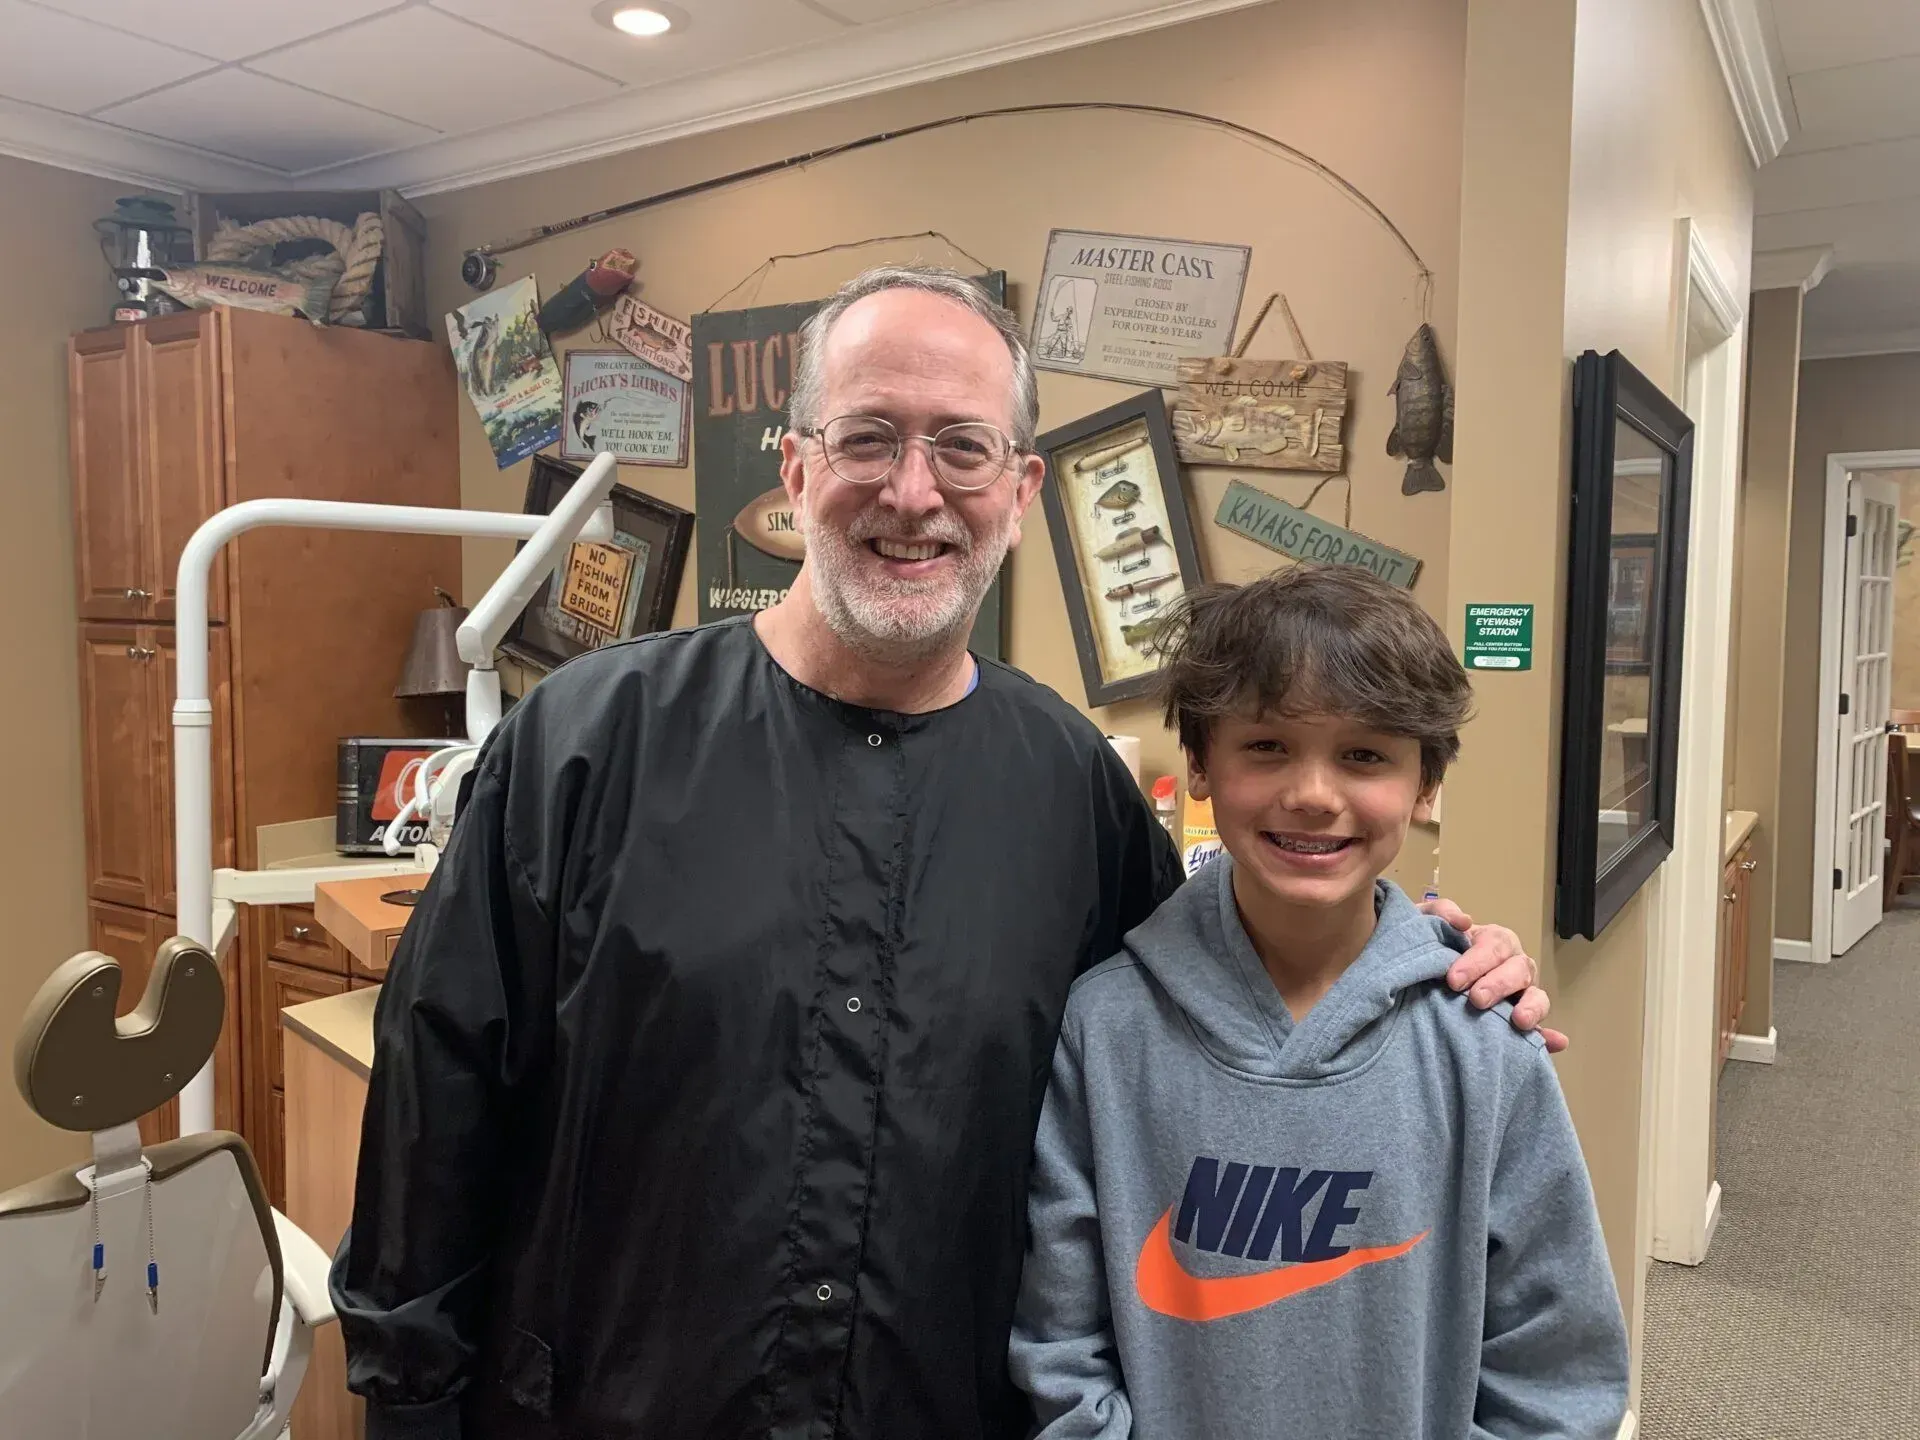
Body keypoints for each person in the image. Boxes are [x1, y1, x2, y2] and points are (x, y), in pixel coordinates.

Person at [330, 265, 1556, 1440]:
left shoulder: (1074, 791)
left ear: (1019, 492)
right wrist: (409, 1397)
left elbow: (1228, 1000)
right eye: (868, 438)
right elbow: (437, 1102)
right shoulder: (588, 744)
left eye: (963, 447)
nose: (914, 492)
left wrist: (1428, 960)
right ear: (797, 468)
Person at [1010, 566, 1628, 1439]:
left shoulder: (1485, 1045)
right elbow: (1061, 1345)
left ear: (1425, 785)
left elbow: (1556, 1370)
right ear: (1201, 765)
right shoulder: (1106, 1030)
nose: (1312, 793)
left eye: (1364, 755)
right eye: (1267, 745)